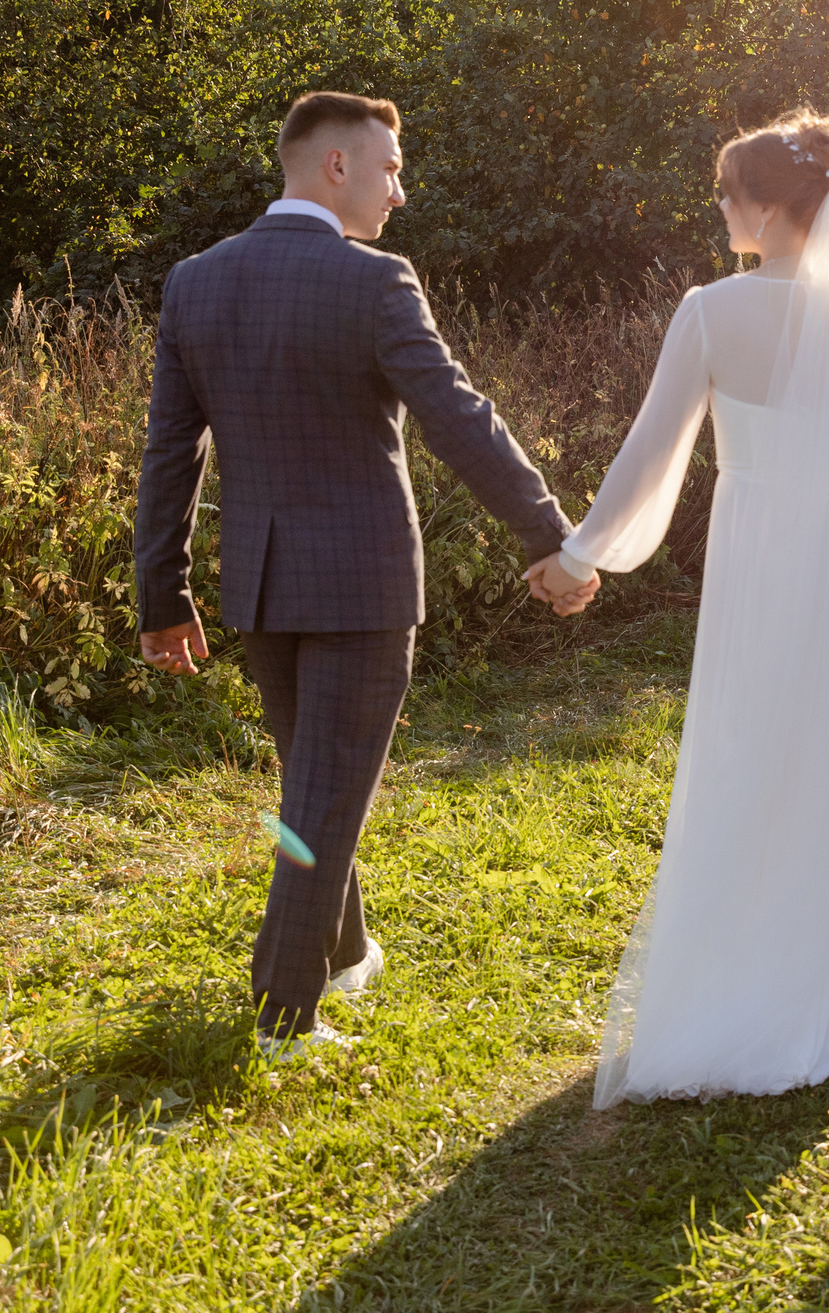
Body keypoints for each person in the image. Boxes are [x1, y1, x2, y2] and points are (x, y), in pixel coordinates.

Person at [133, 91, 598, 1063]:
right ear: (333, 166)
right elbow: (459, 419)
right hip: (361, 590)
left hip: (260, 588)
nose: (400, 189)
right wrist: (550, 536)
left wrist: (162, 594)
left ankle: (344, 954)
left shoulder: (195, 282)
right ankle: (281, 1016)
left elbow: (171, 455)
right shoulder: (374, 283)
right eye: (388, 168)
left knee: (315, 785)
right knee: (325, 798)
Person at [537, 108, 829, 1108]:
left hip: (761, 560)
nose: (722, 210)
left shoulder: (711, 312)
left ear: (772, 211)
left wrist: (579, 554)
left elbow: (651, 456)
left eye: (731, 195)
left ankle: (753, 976)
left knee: (753, 749)